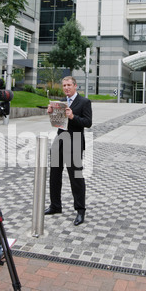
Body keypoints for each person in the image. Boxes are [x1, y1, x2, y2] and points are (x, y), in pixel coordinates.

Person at [45, 76, 92, 226]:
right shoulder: (60, 102)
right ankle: (55, 206)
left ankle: (80, 210)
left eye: (69, 85)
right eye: (64, 85)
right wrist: (51, 113)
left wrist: (73, 116)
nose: (66, 88)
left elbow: (88, 122)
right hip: (60, 140)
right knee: (54, 175)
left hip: (76, 142)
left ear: (75, 86)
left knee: (76, 177)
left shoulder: (84, 102)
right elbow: (58, 123)